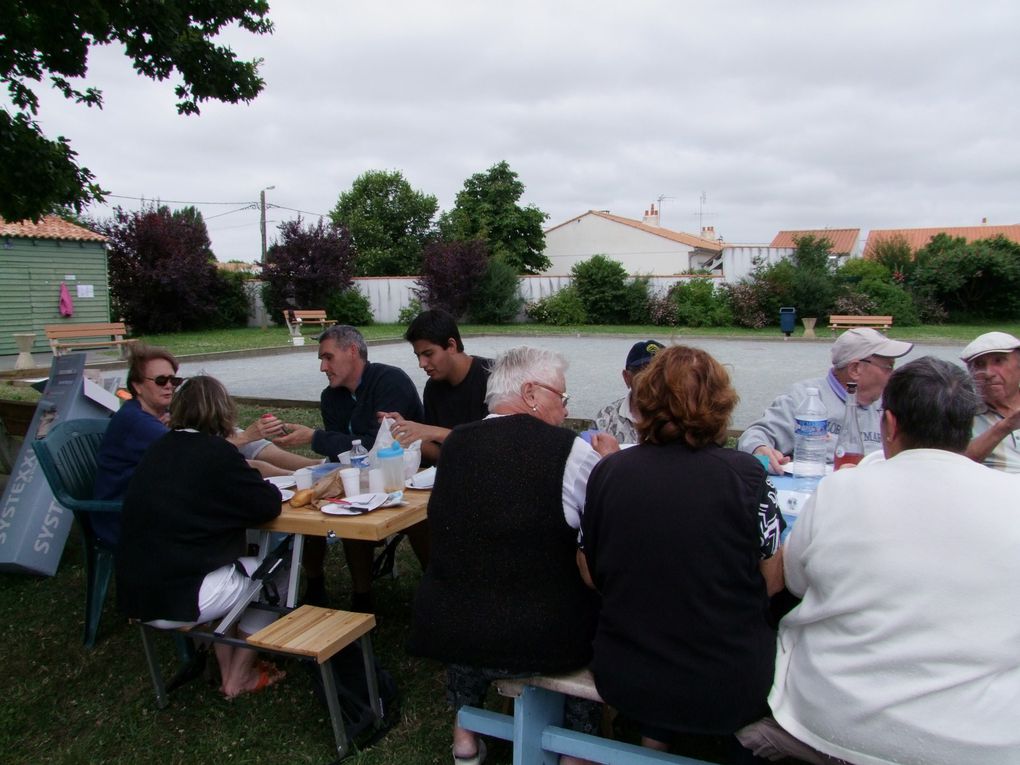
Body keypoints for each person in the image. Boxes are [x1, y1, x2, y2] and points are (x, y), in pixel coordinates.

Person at [738, 357, 1020, 765]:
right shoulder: (1011, 499)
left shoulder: (843, 489)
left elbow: (793, 582)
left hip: (828, 723)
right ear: (965, 425)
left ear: (888, 424)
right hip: (987, 741)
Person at [408, 346, 618, 765]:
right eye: (562, 397)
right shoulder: (568, 451)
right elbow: (604, 530)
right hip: (545, 634)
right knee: (595, 598)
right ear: (531, 393)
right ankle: (577, 749)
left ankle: (465, 735)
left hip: (455, 624)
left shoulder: (456, 444)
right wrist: (611, 467)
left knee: (475, 573)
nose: (565, 409)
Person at [581, 345, 784, 762]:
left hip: (627, 675)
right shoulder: (747, 476)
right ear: (720, 403)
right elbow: (771, 582)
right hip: (728, 684)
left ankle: (655, 737)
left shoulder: (610, 472)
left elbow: (589, 572)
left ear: (644, 401)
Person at [115, 376, 288, 699]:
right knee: (276, 571)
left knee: (233, 567)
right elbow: (266, 505)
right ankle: (239, 677)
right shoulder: (215, 453)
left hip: (138, 593)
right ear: (224, 414)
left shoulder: (158, 450)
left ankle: (226, 668)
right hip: (182, 596)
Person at [93, 344, 315, 545]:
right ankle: (308, 480)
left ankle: (313, 468)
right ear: (137, 386)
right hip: (134, 517)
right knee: (245, 457)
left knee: (236, 439)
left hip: (168, 506)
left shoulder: (158, 415)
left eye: (175, 381)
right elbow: (202, 456)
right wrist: (246, 437)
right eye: (161, 381)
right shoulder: (139, 423)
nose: (170, 386)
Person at [273, 324, 425, 611]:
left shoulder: (390, 381)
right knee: (315, 503)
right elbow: (341, 452)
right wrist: (328, 442)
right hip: (358, 477)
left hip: (405, 476)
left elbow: (375, 445)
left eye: (328, 357)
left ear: (352, 351)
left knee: (359, 511)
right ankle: (321, 585)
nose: (323, 367)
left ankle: (377, 595)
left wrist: (314, 437)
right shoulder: (331, 397)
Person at [737, 328, 913, 473]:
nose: (894, 375)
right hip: (816, 494)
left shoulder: (891, 405)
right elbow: (754, 437)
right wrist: (759, 449)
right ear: (855, 369)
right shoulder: (804, 398)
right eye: (888, 367)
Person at [381, 309, 492, 465]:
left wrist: (434, 432)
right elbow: (442, 455)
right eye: (418, 356)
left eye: (428, 354)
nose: (421, 364)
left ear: (451, 345)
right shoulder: (433, 388)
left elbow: (495, 447)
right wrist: (409, 434)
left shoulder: (494, 376)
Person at [961, 331, 1020, 473]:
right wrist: (1003, 428)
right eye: (979, 364)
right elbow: (955, 464)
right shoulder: (962, 415)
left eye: (999, 361)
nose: (988, 373)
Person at [592, 339, 665, 443]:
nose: (654, 380)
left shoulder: (679, 417)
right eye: (644, 372)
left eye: (660, 373)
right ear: (627, 377)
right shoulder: (606, 417)